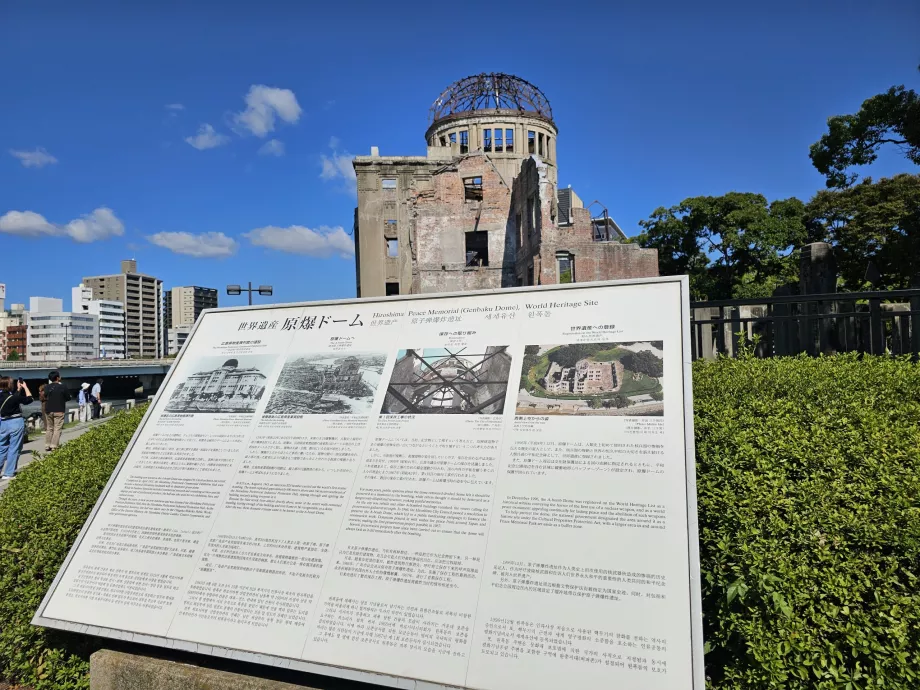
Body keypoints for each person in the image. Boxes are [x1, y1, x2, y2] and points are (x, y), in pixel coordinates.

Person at [0, 376, 33, 482]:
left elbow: (11, 399)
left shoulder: (5, 397)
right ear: (10, 385)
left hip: (3, 423)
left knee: (2, 448)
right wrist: (25, 387)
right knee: (14, 448)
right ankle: (8, 473)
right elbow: (29, 399)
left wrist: (18, 389)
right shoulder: (13, 398)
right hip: (15, 422)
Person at [44, 372, 70, 451]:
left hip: (48, 410)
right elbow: (68, 398)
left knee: (49, 428)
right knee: (57, 428)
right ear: (58, 378)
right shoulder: (63, 386)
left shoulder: (47, 387)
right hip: (59, 409)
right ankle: (54, 445)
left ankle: (47, 445)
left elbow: (45, 396)